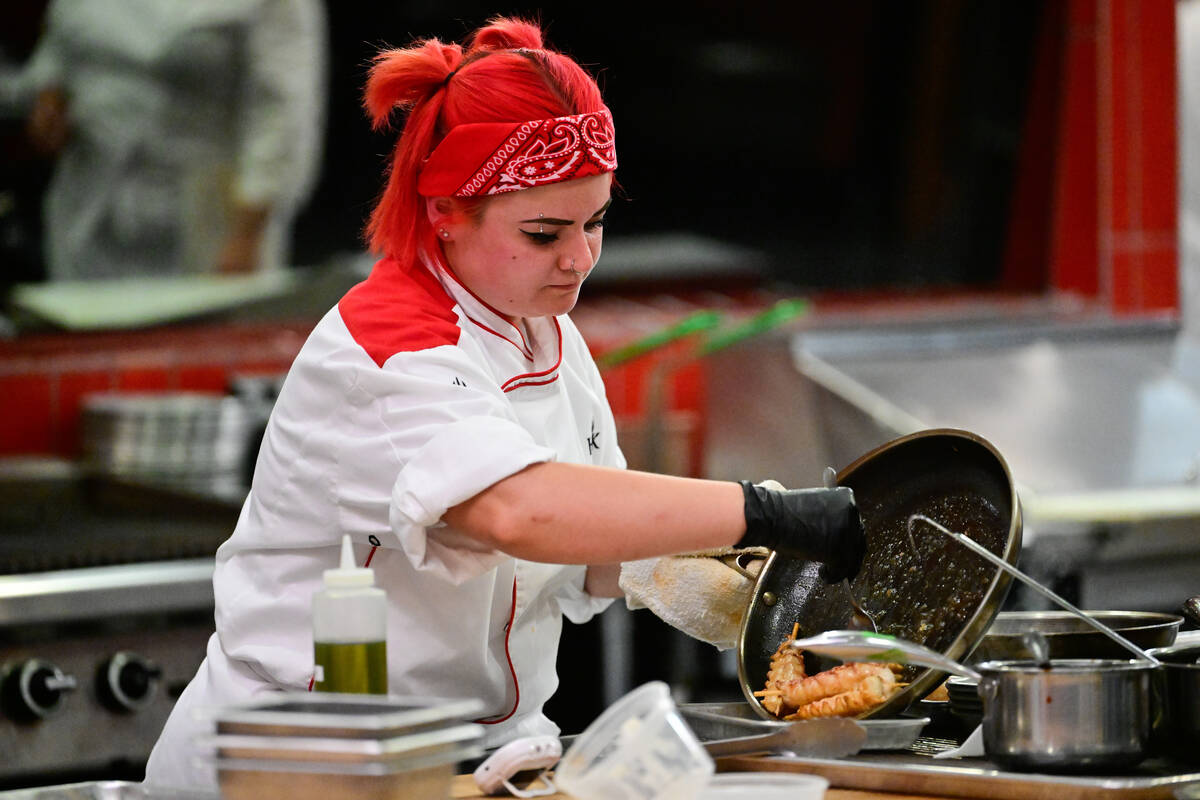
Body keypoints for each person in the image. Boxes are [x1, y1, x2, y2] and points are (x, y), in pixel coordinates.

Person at [143, 16, 865, 789]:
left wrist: (712, 577)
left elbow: (589, 534)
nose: (580, 258)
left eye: (595, 223)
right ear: (445, 213)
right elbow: (516, 511)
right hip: (302, 765)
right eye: (545, 232)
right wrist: (763, 512)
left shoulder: (544, 331)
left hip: (477, 758)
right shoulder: (390, 343)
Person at [9, 0, 325, 280]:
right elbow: (61, 42)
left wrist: (247, 235)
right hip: (89, 204)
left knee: (200, 323)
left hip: (204, 218)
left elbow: (281, 111)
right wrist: (50, 91)